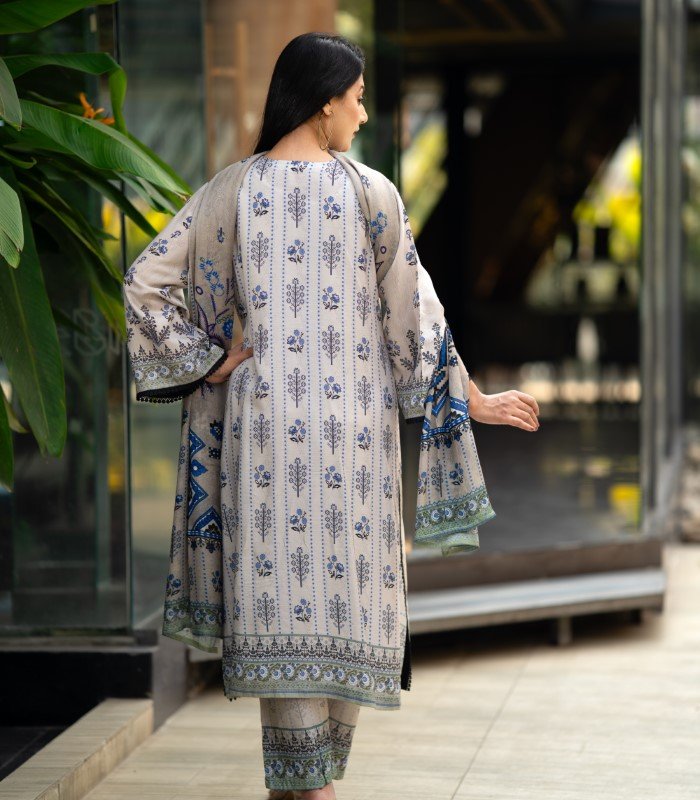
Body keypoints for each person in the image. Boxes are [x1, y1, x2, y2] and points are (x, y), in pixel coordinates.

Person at [123, 31, 539, 800]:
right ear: (323, 102)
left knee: (294, 622)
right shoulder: (370, 194)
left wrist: (210, 361)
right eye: (356, 98)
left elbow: (145, 282)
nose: (363, 113)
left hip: (270, 450)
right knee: (337, 635)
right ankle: (312, 787)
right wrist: (471, 399)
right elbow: (417, 317)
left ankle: (302, 784)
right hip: (354, 452)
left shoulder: (231, 192)